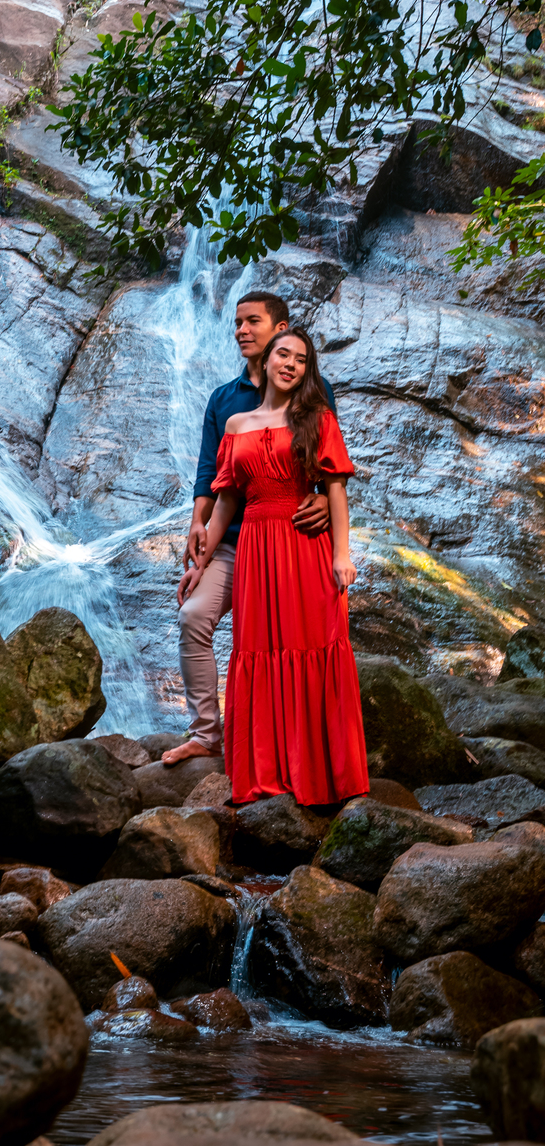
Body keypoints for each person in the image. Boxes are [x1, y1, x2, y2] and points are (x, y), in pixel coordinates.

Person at [175, 326, 368, 806]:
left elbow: (336, 490)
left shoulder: (316, 418)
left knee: (310, 645)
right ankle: (268, 771)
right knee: (259, 649)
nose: (291, 365)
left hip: (303, 545)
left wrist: (342, 555)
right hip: (256, 548)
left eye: (301, 360)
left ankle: (320, 775)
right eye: (285, 355)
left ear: (306, 371)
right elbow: (226, 502)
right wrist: (199, 563)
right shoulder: (236, 424)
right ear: (268, 358)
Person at [162, 291, 336, 768]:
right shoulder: (224, 400)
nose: (240, 330)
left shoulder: (312, 393)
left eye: (251, 321)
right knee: (194, 616)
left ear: (280, 330)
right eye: (237, 322)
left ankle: (296, 746)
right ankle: (206, 735)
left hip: (290, 543)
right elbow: (210, 475)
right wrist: (198, 532)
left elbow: (329, 465)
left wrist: (320, 500)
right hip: (236, 543)